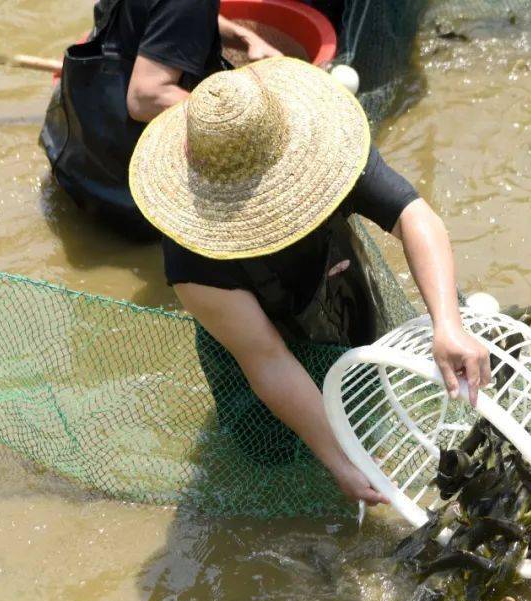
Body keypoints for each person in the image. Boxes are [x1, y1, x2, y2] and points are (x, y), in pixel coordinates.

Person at [129, 57, 491, 506]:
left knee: (366, 406)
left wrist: (447, 324)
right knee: (275, 461)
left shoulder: (330, 148)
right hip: (252, 354)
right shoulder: (190, 256)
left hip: (334, 288)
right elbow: (267, 360)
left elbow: (414, 216)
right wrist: (339, 459)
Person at [41, 0, 282, 230]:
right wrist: (236, 117)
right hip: (127, 194)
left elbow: (169, 16)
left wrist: (244, 38)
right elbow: (145, 98)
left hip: (77, 161)